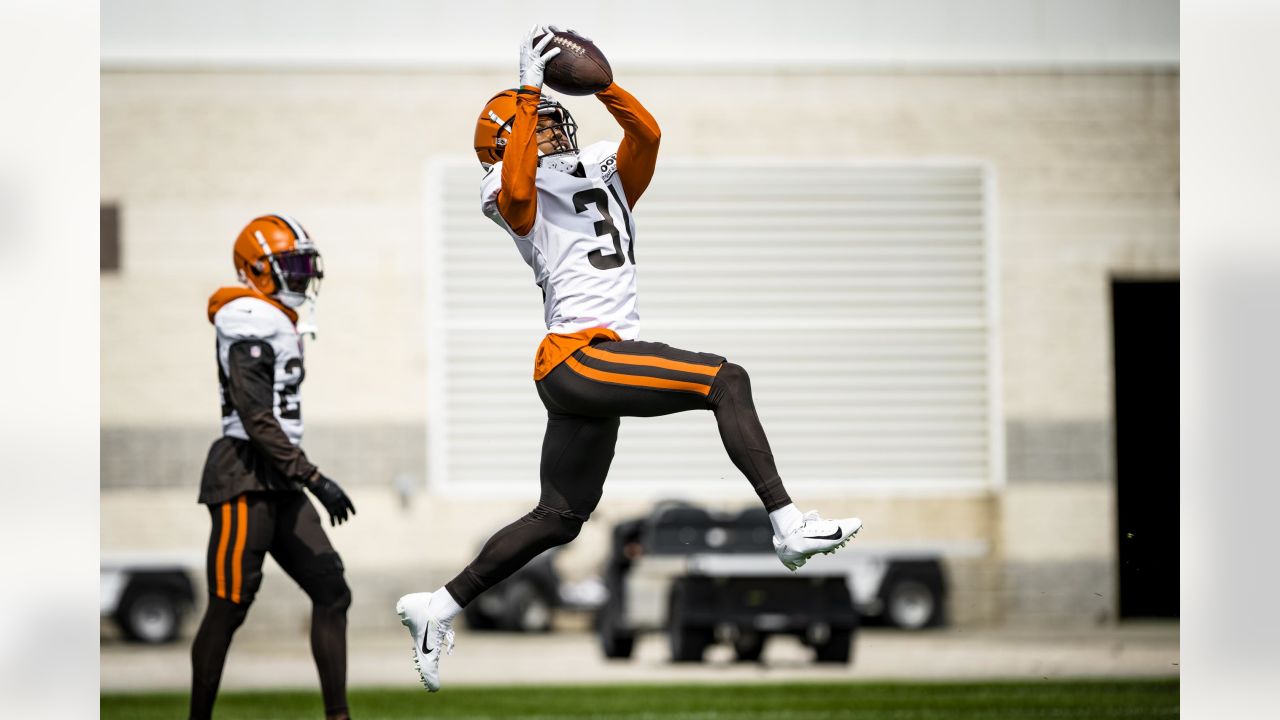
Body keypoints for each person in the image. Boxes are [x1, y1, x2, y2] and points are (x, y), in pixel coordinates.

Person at [396, 25, 861, 692]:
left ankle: (437, 606)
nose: (557, 130)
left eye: (557, 121)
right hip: (578, 355)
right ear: (507, 141)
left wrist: (607, 86)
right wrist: (527, 93)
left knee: (558, 518)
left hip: (591, 365)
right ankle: (788, 524)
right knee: (725, 380)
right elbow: (523, 197)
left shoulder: (602, 172)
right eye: (541, 125)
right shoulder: (501, 182)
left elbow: (647, 137)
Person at [190, 214, 357, 720]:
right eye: (293, 265)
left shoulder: (276, 318)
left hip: (279, 475)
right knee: (230, 604)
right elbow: (255, 416)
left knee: (332, 590)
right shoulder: (246, 316)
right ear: (256, 271)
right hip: (245, 473)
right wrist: (315, 477)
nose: (303, 276)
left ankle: (338, 716)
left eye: (306, 264)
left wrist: (301, 475)